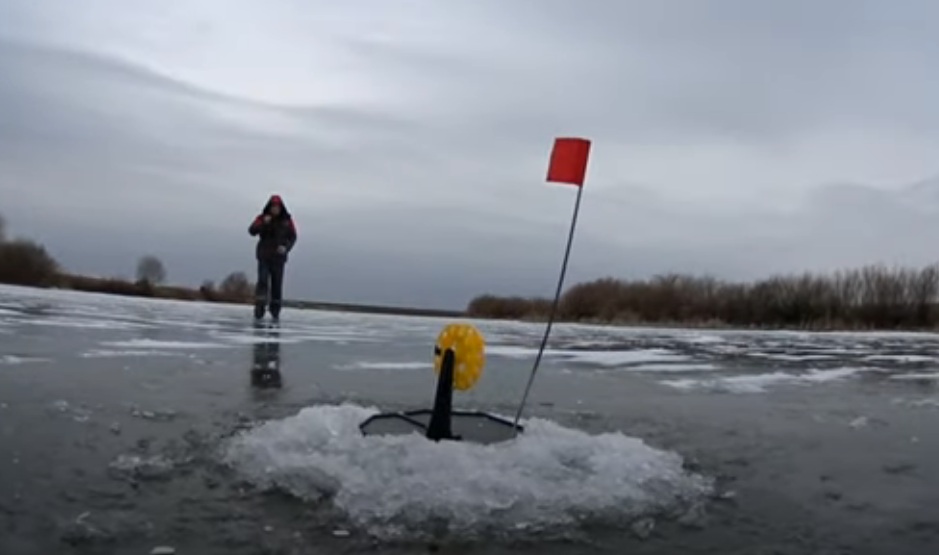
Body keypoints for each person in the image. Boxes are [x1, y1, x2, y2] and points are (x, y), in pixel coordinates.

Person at [248, 194, 297, 320]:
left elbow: (293, 236)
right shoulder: (263, 218)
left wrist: (286, 248)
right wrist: (263, 223)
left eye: (277, 207)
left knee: (277, 285)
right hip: (264, 255)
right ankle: (260, 308)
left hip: (279, 258)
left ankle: (275, 311)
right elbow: (252, 230)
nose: (275, 209)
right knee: (263, 281)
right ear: (269, 207)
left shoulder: (287, 220)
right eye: (273, 207)